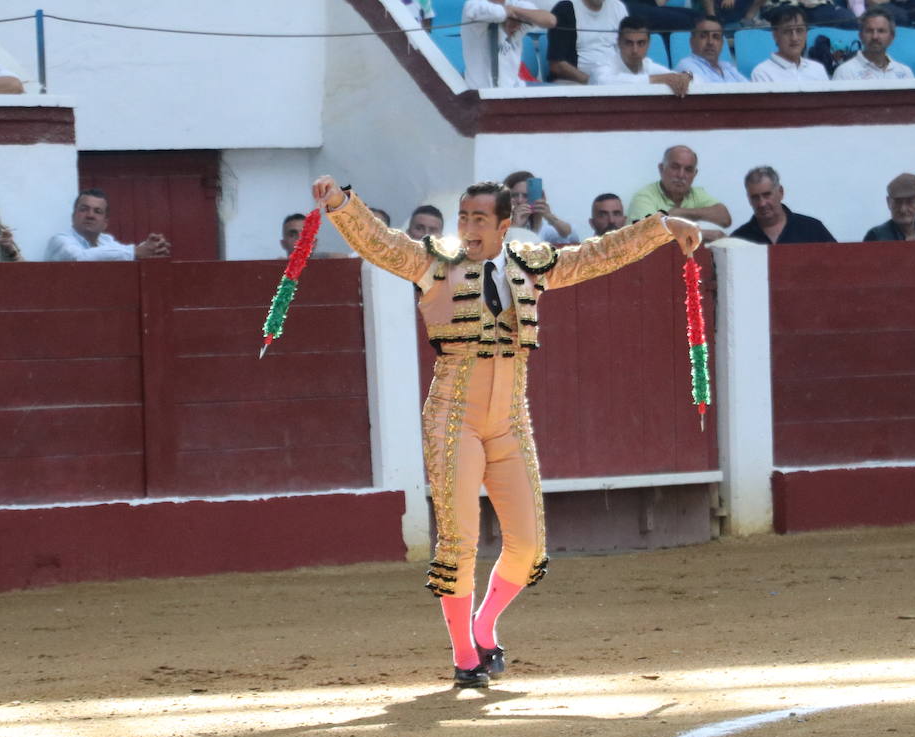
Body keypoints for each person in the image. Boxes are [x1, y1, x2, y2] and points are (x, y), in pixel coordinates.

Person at [311, 173, 701, 688]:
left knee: (529, 547)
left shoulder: (530, 266)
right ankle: (464, 656)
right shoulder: (435, 264)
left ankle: (484, 625)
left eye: (478, 219)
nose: (468, 227)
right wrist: (341, 203)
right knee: (459, 542)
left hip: (510, 421)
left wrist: (661, 227)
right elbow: (381, 244)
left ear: (505, 224)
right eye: (463, 217)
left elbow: (597, 254)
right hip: (453, 416)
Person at [627, 145, 732, 241]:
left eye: (688, 170)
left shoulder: (696, 194)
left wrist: (678, 213)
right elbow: (649, 234)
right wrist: (701, 234)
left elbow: (724, 218)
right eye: (675, 167)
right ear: (661, 169)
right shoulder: (644, 197)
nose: (681, 175)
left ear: (695, 174)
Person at [44, 189, 171, 261]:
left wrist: (152, 249)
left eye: (97, 211)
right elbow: (79, 258)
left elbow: (124, 252)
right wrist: (135, 252)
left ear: (105, 223)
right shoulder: (60, 241)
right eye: (84, 209)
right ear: (73, 216)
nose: (90, 215)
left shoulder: (106, 241)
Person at [461, 0, 556, 89]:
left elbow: (550, 20)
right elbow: (497, 14)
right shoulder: (473, 5)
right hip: (484, 92)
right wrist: (511, 15)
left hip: (515, 87)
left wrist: (514, 11)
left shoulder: (514, 4)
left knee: (563, 97)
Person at [731, 165, 837, 244]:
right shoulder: (739, 239)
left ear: (780, 192)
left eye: (767, 195)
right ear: (748, 198)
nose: (762, 203)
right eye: (755, 197)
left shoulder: (813, 230)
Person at [594, 16, 694, 96]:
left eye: (641, 43)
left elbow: (673, 77)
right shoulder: (604, 64)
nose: (635, 50)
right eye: (629, 43)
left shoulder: (647, 65)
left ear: (649, 44)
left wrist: (685, 77)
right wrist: (657, 79)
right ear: (618, 42)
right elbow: (602, 82)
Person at [547, 0, 631, 85]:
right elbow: (557, 65)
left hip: (612, 80)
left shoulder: (618, 8)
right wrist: (592, 81)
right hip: (575, 82)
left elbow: (628, 52)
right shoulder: (565, 9)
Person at [751, 6, 831, 82]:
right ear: (775, 35)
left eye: (799, 31)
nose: (794, 38)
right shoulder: (762, 73)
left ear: (806, 33)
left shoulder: (818, 69)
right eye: (787, 32)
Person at [832, 8, 915, 80]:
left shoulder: (905, 73)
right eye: (869, 31)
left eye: (881, 31)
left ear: (892, 37)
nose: (875, 37)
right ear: (860, 35)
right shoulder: (845, 72)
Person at [504, 170, 581, 244]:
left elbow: (573, 238)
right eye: (514, 195)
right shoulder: (497, 223)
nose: (520, 200)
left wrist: (550, 217)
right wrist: (515, 226)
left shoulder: (542, 227)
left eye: (525, 196)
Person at [863, 173, 915, 241]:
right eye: (897, 202)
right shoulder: (877, 236)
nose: (903, 209)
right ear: (888, 202)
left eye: (910, 202)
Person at [675, 15, 748, 84]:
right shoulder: (686, 65)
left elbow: (750, 90)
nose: (710, 42)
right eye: (703, 36)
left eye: (716, 37)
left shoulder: (728, 68)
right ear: (692, 41)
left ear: (722, 43)